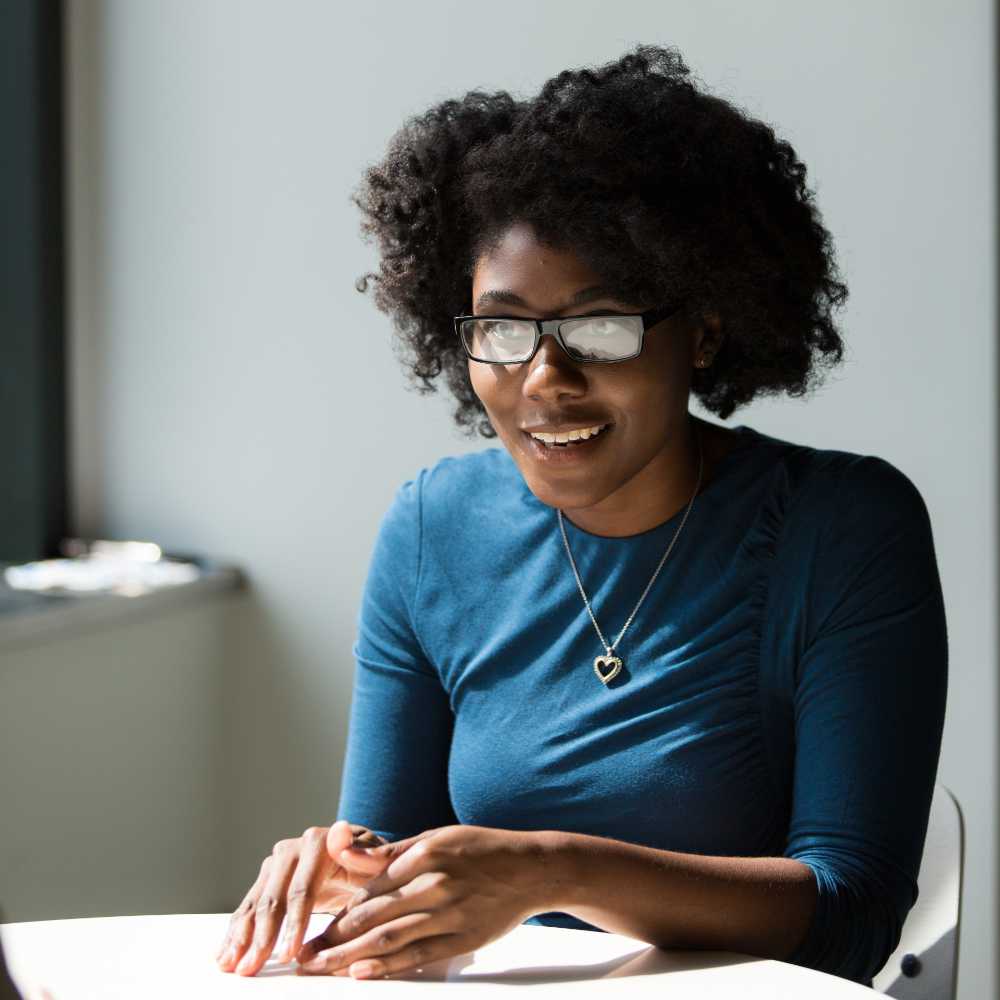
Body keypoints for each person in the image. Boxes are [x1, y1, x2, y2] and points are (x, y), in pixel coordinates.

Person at [215, 44, 948, 988]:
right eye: (503, 329)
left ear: (706, 327)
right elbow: (394, 889)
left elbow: (851, 917)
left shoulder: (844, 528)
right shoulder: (434, 529)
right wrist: (351, 872)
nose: (544, 381)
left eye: (600, 327)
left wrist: (549, 868)